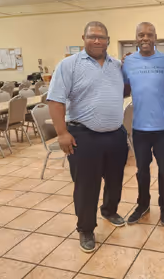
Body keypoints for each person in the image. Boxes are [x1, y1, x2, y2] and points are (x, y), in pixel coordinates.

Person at [47, 21, 128, 253]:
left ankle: (110, 211)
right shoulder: (69, 65)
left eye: (101, 37)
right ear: (83, 37)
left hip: (115, 135)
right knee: (86, 186)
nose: (97, 41)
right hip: (83, 136)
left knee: (115, 180)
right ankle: (86, 228)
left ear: (108, 40)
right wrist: (62, 133)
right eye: (92, 36)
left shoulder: (117, 65)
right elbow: (55, 101)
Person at [122, 22, 164, 226]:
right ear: (136, 38)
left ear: (155, 37)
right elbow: (124, 91)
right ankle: (143, 204)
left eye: (149, 34)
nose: (145, 38)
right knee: (142, 170)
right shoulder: (128, 63)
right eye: (141, 35)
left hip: (162, 128)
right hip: (139, 129)